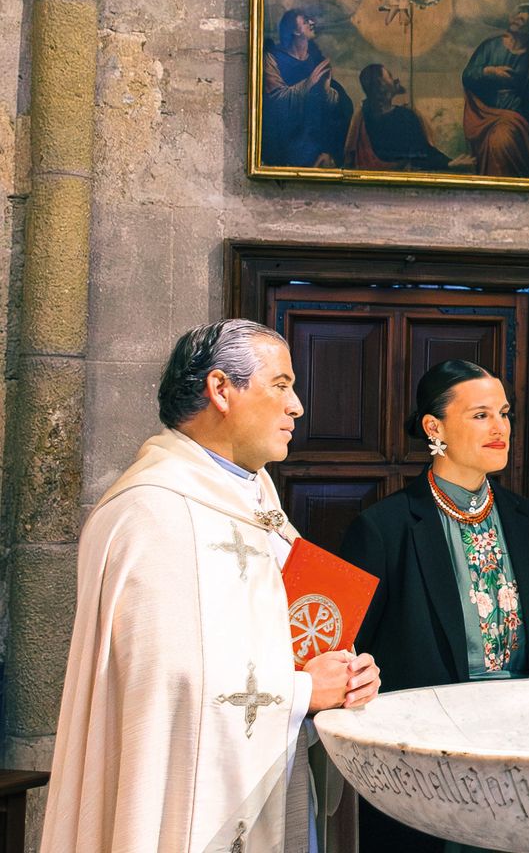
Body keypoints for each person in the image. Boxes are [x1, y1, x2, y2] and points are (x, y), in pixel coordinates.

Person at [41, 319, 380, 853]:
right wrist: (303, 691)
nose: (297, 407)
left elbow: (289, 637)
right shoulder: (150, 510)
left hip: (270, 783)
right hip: (185, 815)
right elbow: (164, 687)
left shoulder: (257, 501)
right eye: (281, 384)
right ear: (221, 389)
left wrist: (343, 676)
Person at [340, 359, 529, 852]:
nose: (500, 428)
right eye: (481, 415)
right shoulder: (385, 529)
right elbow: (351, 656)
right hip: (427, 764)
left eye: (504, 413)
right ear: (434, 427)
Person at [461, 7, 529, 178]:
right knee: (500, 139)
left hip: (518, 115)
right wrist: (489, 71)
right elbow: (467, 75)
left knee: (504, 137)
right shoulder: (490, 46)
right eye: (516, 17)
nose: (516, 21)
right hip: (486, 113)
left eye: (522, 21)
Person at [261, 9, 353, 168]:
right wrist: (308, 85)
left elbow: (337, 106)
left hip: (316, 144)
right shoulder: (273, 58)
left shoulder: (317, 61)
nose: (312, 23)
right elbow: (275, 101)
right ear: (295, 30)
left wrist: (326, 92)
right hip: (286, 143)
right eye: (305, 21)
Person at [343, 63, 452, 171]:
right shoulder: (403, 117)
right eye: (390, 76)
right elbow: (423, 153)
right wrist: (450, 164)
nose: (396, 80)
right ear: (381, 85)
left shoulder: (363, 114)